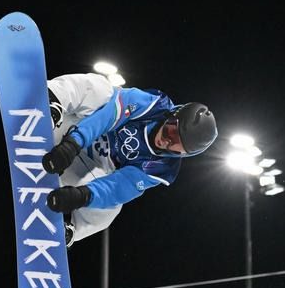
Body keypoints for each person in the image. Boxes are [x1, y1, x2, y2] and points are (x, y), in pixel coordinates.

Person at [41, 73, 218, 245]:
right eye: (171, 131)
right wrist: (72, 144)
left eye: (177, 146)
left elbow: (119, 186)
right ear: (173, 114)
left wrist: (80, 196)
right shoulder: (154, 104)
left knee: (113, 206)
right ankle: (53, 99)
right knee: (104, 90)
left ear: (184, 154)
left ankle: (68, 229)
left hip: (88, 167)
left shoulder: (163, 168)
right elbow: (109, 116)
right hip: (73, 128)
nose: (167, 141)